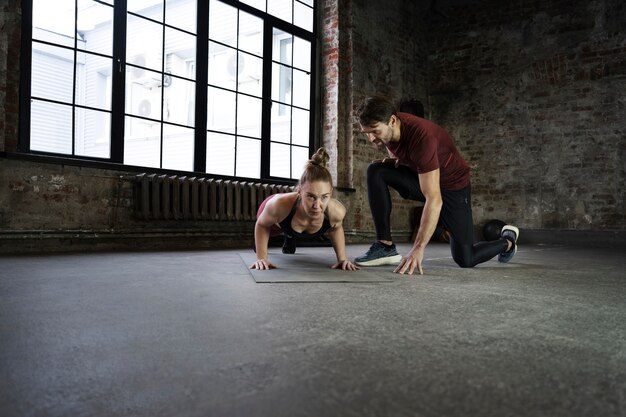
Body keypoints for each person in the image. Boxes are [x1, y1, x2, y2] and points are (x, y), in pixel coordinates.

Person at [354, 95, 519, 274]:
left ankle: (507, 241)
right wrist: (399, 162)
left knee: (466, 258)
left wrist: (418, 248)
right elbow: (414, 159)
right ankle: (384, 246)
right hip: (426, 178)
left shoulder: (422, 137)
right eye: (367, 133)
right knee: (377, 170)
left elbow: (434, 199)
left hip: (453, 187)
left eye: (375, 131)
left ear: (392, 121)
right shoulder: (391, 130)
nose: (370, 139)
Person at [250, 147, 359, 271]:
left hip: (294, 219)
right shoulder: (277, 205)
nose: (317, 206)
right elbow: (262, 225)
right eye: (311, 197)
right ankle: (286, 235)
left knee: (294, 227)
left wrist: (342, 259)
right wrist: (261, 257)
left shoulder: (337, 212)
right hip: (279, 210)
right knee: (269, 231)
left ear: (331, 193)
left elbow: (336, 229)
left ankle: (290, 236)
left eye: (324, 197)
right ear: (299, 191)